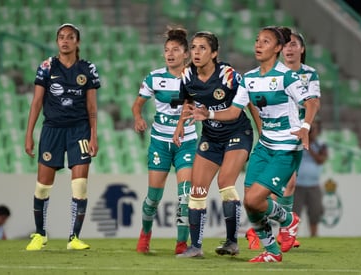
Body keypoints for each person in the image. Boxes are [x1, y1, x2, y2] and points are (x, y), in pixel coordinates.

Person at [190, 26, 320, 262]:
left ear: (278, 48)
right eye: (257, 40)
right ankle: (272, 252)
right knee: (250, 204)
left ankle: (289, 220)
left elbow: (311, 103)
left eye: (266, 41)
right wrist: (208, 115)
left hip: (286, 148)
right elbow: (232, 112)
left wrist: (306, 127)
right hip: (265, 146)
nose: (258, 45)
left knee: (254, 200)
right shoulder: (249, 78)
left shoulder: (287, 76)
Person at [173, 31, 255, 258]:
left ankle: (231, 242)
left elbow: (243, 106)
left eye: (202, 48)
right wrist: (180, 125)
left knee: (225, 183)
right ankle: (196, 247)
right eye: (194, 47)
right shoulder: (187, 75)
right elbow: (188, 100)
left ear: (214, 53)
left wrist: (263, 132)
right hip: (211, 137)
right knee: (196, 191)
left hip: (238, 133)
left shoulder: (228, 75)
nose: (196, 53)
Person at [24, 23, 100, 251]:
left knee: (80, 186)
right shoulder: (47, 67)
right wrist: (29, 135)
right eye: (61, 37)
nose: (64, 41)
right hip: (52, 130)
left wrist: (94, 136)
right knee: (42, 187)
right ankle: (40, 234)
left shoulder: (87, 69)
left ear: (77, 42)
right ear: (57, 41)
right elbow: (37, 102)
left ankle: (74, 238)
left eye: (70, 37)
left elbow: (92, 107)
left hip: (79, 130)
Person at [246, 29, 322, 249]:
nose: (289, 48)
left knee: (289, 183)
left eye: (293, 44)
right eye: (286, 45)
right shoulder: (263, 74)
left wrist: (306, 126)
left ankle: (283, 231)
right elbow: (252, 102)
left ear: (302, 49)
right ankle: (272, 227)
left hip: (294, 134)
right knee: (259, 191)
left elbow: (313, 102)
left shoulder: (307, 74)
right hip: (271, 134)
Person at [132, 26, 197, 255]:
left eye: (176, 50)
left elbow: (190, 107)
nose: (170, 54)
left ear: (186, 54)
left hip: (186, 143)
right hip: (160, 142)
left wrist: (181, 126)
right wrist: (138, 118)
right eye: (167, 50)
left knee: (185, 195)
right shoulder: (155, 77)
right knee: (153, 198)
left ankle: (181, 244)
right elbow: (137, 104)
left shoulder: (193, 78)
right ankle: (145, 235)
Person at [293, 119, 327, 237]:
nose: (312, 131)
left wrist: (308, 145)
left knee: (315, 213)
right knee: (294, 214)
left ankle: (314, 235)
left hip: (313, 185)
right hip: (297, 185)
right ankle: (292, 238)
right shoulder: (297, 142)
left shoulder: (321, 144)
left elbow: (321, 160)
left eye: (314, 129)